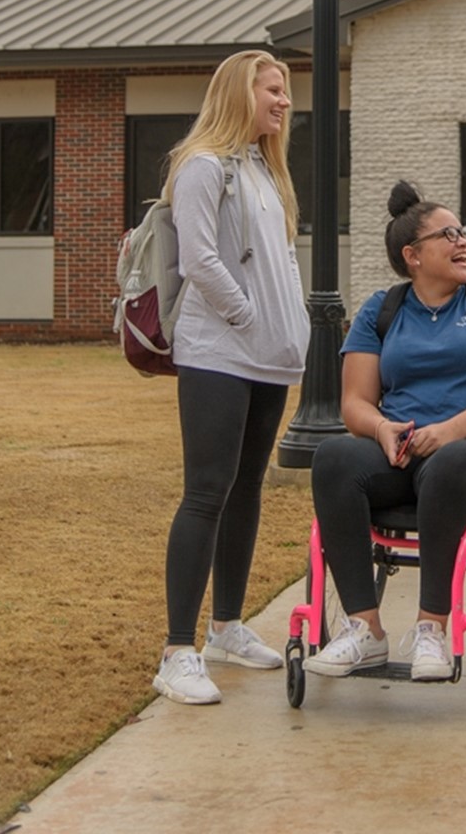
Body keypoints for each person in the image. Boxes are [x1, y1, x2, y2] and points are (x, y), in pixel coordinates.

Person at [306, 180, 466, 683]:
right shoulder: (382, 309)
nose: (464, 241)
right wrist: (381, 429)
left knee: (452, 461)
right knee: (333, 458)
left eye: (463, 232)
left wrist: (449, 431)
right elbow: (355, 401)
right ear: (412, 255)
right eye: (449, 234)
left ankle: (432, 628)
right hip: (408, 450)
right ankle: (364, 629)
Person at [152, 50, 310, 706]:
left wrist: (289, 328)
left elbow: (280, 264)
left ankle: (227, 628)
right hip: (217, 352)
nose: (283, 102)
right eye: (271, 90)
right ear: (238, 94)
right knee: (207, 492)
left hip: (269, 357)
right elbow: (199, 258)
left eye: (285, 93)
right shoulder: (203, 166)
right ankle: (177, 651)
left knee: (247, 489)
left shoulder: (266, 174)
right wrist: (247, 316)